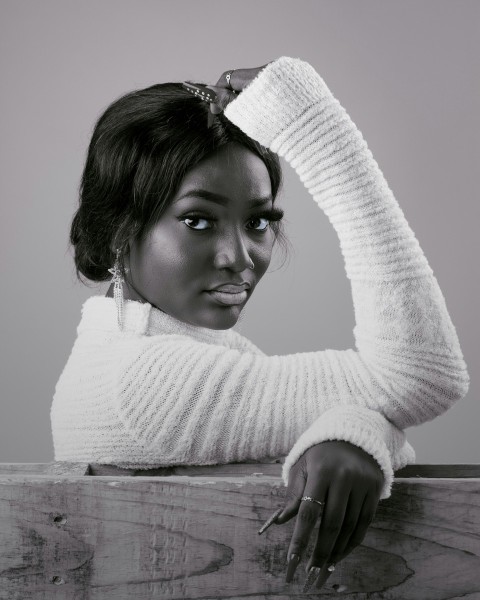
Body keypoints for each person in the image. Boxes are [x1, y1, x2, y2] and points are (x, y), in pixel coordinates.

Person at [50, 57, 470, 592]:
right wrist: (325, 138)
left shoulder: (141, 348)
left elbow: (393, 406)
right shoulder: (142, 380)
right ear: (118, 232)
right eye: (197, 220)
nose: (239, 256)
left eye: (259, 222)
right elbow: (423, 377)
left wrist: (353, 431)